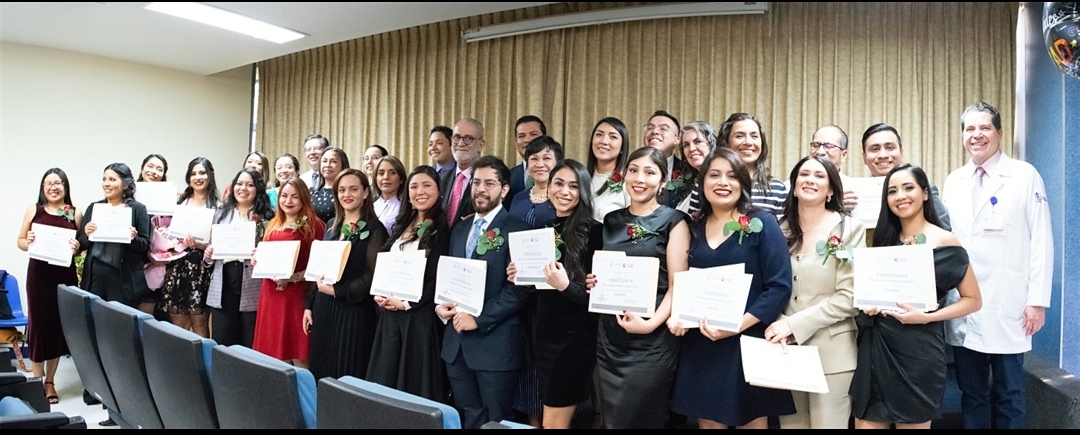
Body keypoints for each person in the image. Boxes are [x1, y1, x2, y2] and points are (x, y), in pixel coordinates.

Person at [942, 101, 1052, 429]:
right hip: (965, 302)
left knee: (1010, 392)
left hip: (1009, 302)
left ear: (999, 133)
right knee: (972, 393)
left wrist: (1037, 301)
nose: (977, 135)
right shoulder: (954, 180)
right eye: (970, 129)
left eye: (985, 128)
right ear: (962, 135)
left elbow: (1042, 240)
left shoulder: (1024, 175)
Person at [668, 148, 794, 428]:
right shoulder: (694, 227)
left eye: (732, 176)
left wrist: (736, 326)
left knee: (752, 422)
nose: (723, 182)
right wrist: (678, 315)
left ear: (743, 183)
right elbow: (683, 280)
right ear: (702, 182)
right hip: (702, 343)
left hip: (747, 340)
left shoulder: (763, 223)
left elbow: (779, 287)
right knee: (708, 423)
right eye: (714, 175)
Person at [851, 163, 982, 429]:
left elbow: (973, 300)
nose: (900, 196)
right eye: (892, 191)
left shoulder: (946, 240)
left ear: (925, 193)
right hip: (877, 349)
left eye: (908, 188)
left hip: (919, 353)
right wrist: (870, 305)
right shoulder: (883, 239)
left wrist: (927, 317)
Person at [590, 147, 689, 429]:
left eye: (649, 172)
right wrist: (594, 282)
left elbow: (678, 285)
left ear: (663, 180)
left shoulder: (674, 222)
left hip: (652, 339)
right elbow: (605, 271)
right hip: (610, 337)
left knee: (643, 417)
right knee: (611, 419)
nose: (639, 178)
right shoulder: (611, 221)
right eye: (633, 170)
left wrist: (650, 324)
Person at [765, 155, 865, 429]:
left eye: (820, 176)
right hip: (786, 350)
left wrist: (793, 325)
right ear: (794, 186)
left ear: (831, 189)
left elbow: (849, 298)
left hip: (833, 353)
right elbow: (769, 285)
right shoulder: (777, 228)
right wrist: (779, 324)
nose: (810, 180)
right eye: (804, 174)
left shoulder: (849, 229)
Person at [436, 155, 530, 429]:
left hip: (495, 345)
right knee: (468, 415)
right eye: (476, 182)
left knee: (496, 420)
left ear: (504, 189)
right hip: (456, 344)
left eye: (489, 183)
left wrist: (478, 319)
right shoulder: (460, 228)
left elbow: (520, 290)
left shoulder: (518, 229)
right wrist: (441, 306)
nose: (480, 189)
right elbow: (451, 276)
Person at [507, 159, 603, 429]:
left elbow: (597, 301)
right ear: (548, 187)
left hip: (576, 341)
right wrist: (521, 276)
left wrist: (566, 286)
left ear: (583, 191)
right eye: (558, 183)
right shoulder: (542, 229)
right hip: (545, 335)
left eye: (573, 186)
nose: (564, 191)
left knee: (553, 423)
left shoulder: (596, 232)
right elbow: (540, 288)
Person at [367, 165, 451, 402]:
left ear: (439, 191)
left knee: (413, 388)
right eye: (414, 186)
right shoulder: (403, 222)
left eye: (426, 185)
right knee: (386, 384)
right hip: (390, 316)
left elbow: (437, 277)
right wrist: (380, 293)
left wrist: (406, 304)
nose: (420, 192)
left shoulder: (442, 227)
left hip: (418, 319)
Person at [305, 168, 388, 379]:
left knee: (347, 371)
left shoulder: (375, 229)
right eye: (341, 190)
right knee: (321, 369)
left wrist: (338, 290)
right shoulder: (331, 225)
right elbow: (318, 268)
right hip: (324, 309)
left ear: (366, 193)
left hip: (353, 312)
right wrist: (308, 306)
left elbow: (372, 276)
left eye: (353, 189)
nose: (346, 194)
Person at [16, 168, 82, 405]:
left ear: (65, 186)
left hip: (64, 276)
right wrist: (29, 242)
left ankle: (50, 382)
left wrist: (77, 247)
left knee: (56, 326)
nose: (53, 187)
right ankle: (37, 380)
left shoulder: (74, 213)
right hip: (39, 277)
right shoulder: (34, 210)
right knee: (38, 326)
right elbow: (20, 241)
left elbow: (82, 248)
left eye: (58, 183)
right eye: (48, 183)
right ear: (43, 187)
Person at [252, 177, 324, 367]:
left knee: (298, 351)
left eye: (295, 197)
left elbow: (319, 264)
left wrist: (293, 278)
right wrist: (257, 257)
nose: (288, 201)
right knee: (273, 355)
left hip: (296, 295)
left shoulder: (314, 225)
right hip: (271, 294)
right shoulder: (273, 223)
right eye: (284, 196)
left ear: (304, 198)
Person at [204, 167, 275, 348]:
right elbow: (210, 248)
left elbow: (273, 251)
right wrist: (208, 255)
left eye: (250, 185)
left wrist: (262, 253)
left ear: (258, 189)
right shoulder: (221, 213)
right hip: (224, 280)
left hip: (252, 282)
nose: (243, 188)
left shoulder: (268, 216)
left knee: (249, 339)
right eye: (239, 184)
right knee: (223, 340)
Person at [76, 162, 152, 309]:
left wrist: (133, 238)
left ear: (125, 184)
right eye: (104, 179)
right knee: (93, 316)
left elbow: (144, 245)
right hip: (95, 277)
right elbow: (81, 243)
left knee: (119, 319)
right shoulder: (94, 207)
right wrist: (86, 233)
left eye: (112, 179)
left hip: (123, 279)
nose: (106, 184)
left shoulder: (138, 209)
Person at [161, 157, 220, 338]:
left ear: (210, 175)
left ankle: (201, 358)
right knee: (178, 325)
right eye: (193, 173)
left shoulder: (219, 207)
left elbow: (220, 244)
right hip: (178, 267)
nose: (197, 177)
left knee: (200, 323)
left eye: (202, 173)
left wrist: (200, 245)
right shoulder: (179, 202)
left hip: (202, 270)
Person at [857, 123, 952, 230]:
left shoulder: (922, 189)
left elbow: (944, 230)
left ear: (901, 153)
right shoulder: (852, 195)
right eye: (875, 149)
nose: (883, 155)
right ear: (864, 157)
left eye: (889, 147)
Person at [718, 112, 788, 221]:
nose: (748, 142)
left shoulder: (777, 189)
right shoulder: (709, 184)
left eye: (754, 136)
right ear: (726, 142)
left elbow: (781, 230)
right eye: (739, 136)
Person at [138, 153, 172, 316]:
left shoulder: (168, 201)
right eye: (150, 166)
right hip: (134, 262)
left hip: (157, 265)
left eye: (159, 169)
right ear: (142, 169)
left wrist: (161, 255)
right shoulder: (129, 196)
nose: (153, 172)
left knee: (149, 316)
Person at [643, 110, 694, 210]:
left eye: (663, 129)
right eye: (650, 128)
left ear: (677, 140)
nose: (654, 132)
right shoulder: (630, 169)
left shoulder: (690, 172)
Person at [508, 135, 562, 227]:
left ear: (558, 163)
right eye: (534, 159)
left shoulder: (563, 197)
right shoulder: (518, 198)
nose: (540, 164)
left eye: (546, 158)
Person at [441, 118, 485, 227]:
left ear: (481, 144)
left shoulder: (490, 181)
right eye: (457, 137)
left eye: (468, 138)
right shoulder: (441, 178)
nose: (461, 143)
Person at [587, 117, 631, 223]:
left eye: (613, 137)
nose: (604, 141)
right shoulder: (581, 177)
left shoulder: (628, 180)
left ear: (622, 147)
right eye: (599, 135)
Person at [808, 125, 859, 212]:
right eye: (816, 145)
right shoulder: (794, 186)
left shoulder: (854, 190)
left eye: (829, 146)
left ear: (843, 155)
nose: (820, 152)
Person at [676, 121, 718, 216]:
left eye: (698, 142)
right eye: (686, 145)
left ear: (711, 144)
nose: (691, 149)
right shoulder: (696, 181)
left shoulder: (719, 180)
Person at [506, 115, 547, 207]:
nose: (527, 140)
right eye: (521, 136)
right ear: (516, 143)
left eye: (533, 134)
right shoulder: (508, 176)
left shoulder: (559, 172)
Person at [311, 147, 349, 224]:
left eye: (333, 161)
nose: (328, 165)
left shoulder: (347, 193)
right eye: (324, 161)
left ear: (343, 165)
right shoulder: (311, 191)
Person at [372, 155, 406, 233]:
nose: (386, 177)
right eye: (381, 173)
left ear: (401, 179)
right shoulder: (369, 205)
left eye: (392, 173)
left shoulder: (406, 207)